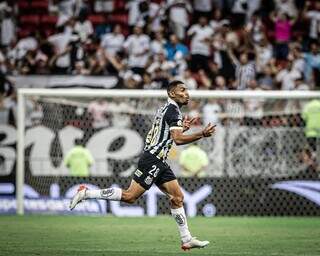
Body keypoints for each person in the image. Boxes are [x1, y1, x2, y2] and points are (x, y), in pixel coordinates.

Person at [69, 80, 216, 250]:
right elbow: (177, 140)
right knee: (130, 196)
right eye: (182, 90)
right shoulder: (173, 111)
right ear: (171, 94)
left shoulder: (167, 109)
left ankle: (186, 239)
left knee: (177, 198)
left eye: (187, 90)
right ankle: (86, 193)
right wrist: (202, 134)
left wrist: (181, 129)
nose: (187, 93)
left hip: (159, 160)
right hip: (152, 159)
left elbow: (165, 135)